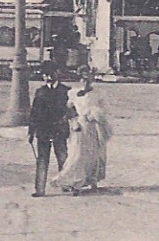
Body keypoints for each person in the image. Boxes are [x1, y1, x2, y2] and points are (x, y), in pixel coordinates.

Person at [56, 67, 112, 195]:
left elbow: (105, 110)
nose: (85, 82)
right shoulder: (73, 93)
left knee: (94, 154)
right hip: (80, 126)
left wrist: (95, 114)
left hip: (94, 127)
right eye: (82, 79)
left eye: (87, 80)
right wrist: (74, 121)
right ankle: (75, 182)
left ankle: (92, 181)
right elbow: (68, 109)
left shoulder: (98, 94)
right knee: (78, 154)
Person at [27, 66, 74, 197]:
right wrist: (31, 131)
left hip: (59, 129)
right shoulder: (40, 92)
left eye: (51, 74)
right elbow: (34, 113)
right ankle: (40, 189)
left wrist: (66, 122)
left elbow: (71, 111)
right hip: (43, 130)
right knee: (42, 160)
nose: (48, 77)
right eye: (45, 75)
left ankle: (66, 185)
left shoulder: (66, 91)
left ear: (57, 73)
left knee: (63, 158)